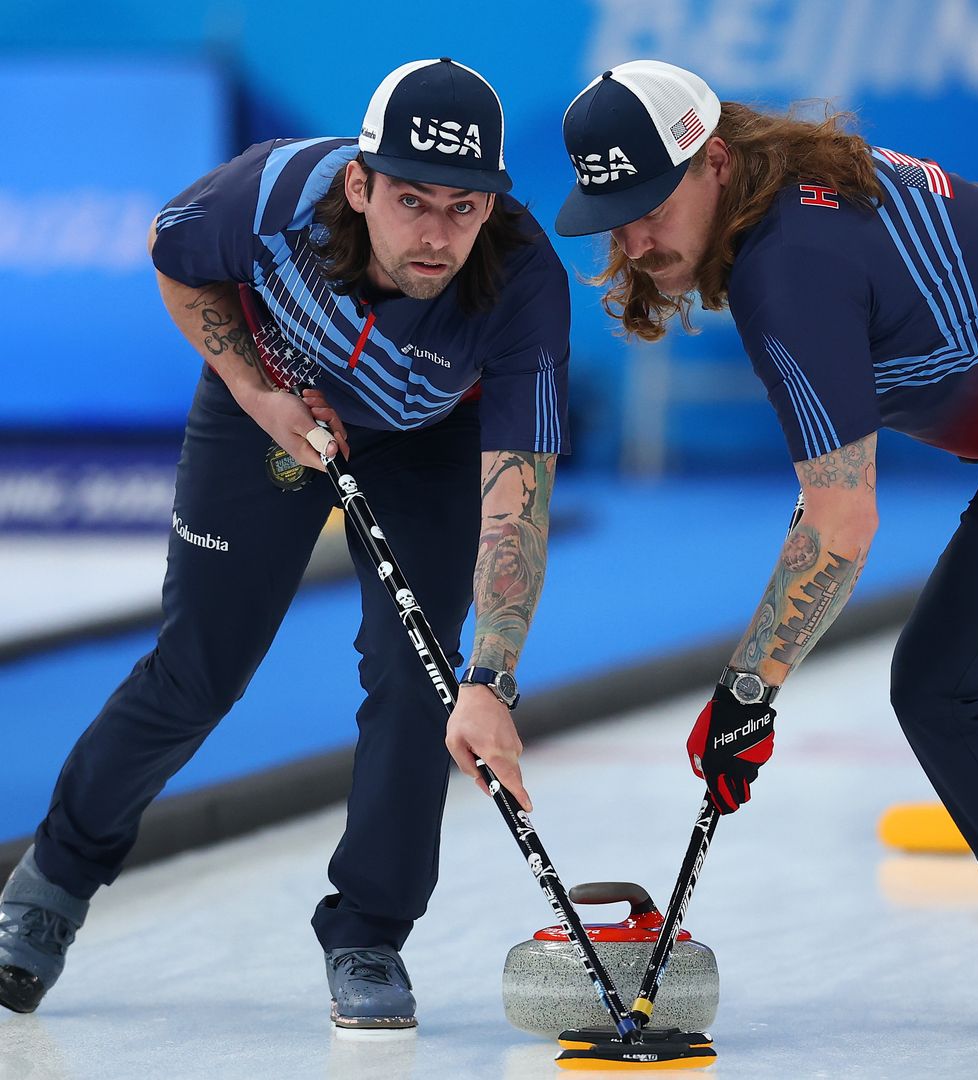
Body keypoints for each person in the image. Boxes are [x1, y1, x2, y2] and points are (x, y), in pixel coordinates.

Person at [0, 58, 570, 1033]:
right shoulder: (269, 192)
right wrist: (257, 392)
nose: (436, 235)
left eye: (463, 207)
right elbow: (174, 256)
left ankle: (370, 934)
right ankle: (52, 882)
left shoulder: (520, 282)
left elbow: (518, 497)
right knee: (197, 670)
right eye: (411, 200)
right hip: (268, 401)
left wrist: (493, 677)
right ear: (360, 184)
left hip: (428, 441)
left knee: (418, 673)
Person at [554, 59, 978, 1031]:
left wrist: (748, 692)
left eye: (648, 204)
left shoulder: (787, 265)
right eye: (613, 214)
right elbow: (827, 502)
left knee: (942, 683)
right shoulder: (790, 203)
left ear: (712, 163)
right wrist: (751, 682)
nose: (632, 238)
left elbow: (843, 523)